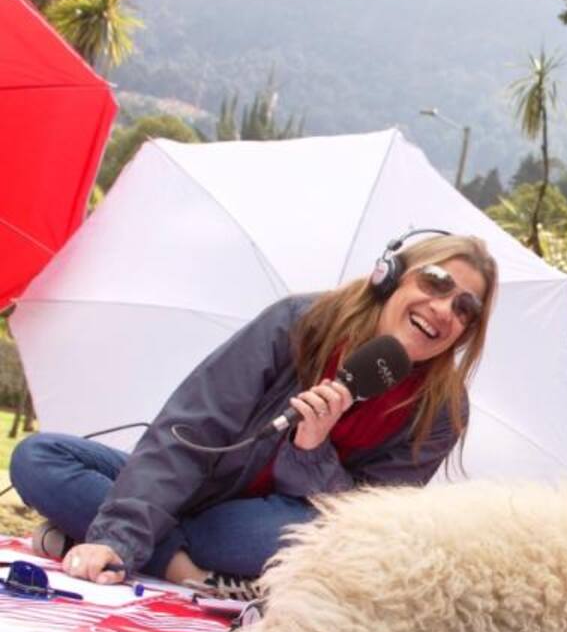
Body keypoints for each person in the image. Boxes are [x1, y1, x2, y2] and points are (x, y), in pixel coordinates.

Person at [10, 232, 497, 599]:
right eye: (434, 282)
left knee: (294, 540)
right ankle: (181, 569)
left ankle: (110, 535)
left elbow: (366, 525)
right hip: (198, 484)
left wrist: (313, 449)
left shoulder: (441, 413)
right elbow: (193, 426)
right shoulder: (298, 322)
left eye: (464, 308)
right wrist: (118, 535)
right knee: (38, 457)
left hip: (261, 525)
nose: (442, 309)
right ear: (389, 275)